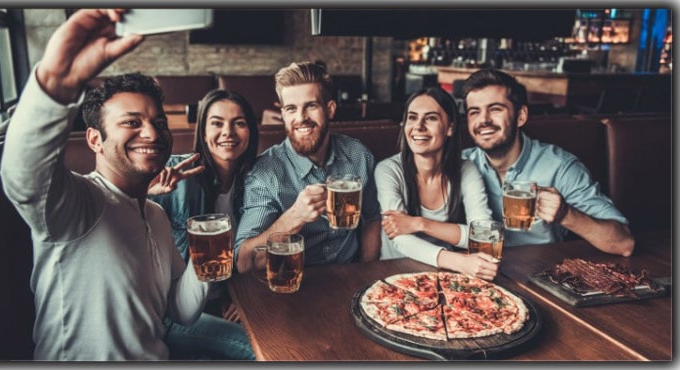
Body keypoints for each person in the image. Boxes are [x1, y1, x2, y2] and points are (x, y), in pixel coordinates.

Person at [0, 9, 209, 360]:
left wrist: (210, 258)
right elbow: (24, 179)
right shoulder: (79, 204)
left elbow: (181, 311)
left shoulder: (155, 214)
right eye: (132, 122)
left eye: (160, 122)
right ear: (95, 140)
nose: (152, 133)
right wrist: (55, 83)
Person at [461, 68, 635, 256]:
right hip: (477, 274)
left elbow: (624, 244)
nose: (483, 120)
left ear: (521, 116)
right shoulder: (461, 165)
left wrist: (566, 215)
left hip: (540, 273)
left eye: (495, 109)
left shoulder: (559, 166)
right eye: (474, 112)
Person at [234, 61, 381, 273]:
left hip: (350, 277)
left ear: (329, 109)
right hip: (293, 284)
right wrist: (295, 216)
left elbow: (372, 219)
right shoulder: (265, 174)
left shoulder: (358, 155)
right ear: (283, 114)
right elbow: (245, 262)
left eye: (311, 106)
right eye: (291, 109)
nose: (301, 118)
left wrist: (367, 275)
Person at [147, 89, 257, 360]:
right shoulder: (176, 175)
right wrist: (144, 190)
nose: (228, 132)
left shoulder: (254, 182)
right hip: (174, 314)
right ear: (203, 132)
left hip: (223, 302)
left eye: (239, 123)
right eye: (217, 123)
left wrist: (239, 300)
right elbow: (126, 215)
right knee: (259, 350)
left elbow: (245, 253)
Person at [375, 86, 499, 280]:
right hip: (396, 274)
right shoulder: (388, 170)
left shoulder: (466, 169)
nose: (418, 126)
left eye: (431, 118)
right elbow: (400, 238)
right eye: (412, 117)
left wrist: (419, 223)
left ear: (450, 127)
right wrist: (459, 262)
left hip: (447, 275)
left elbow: (485, 236)